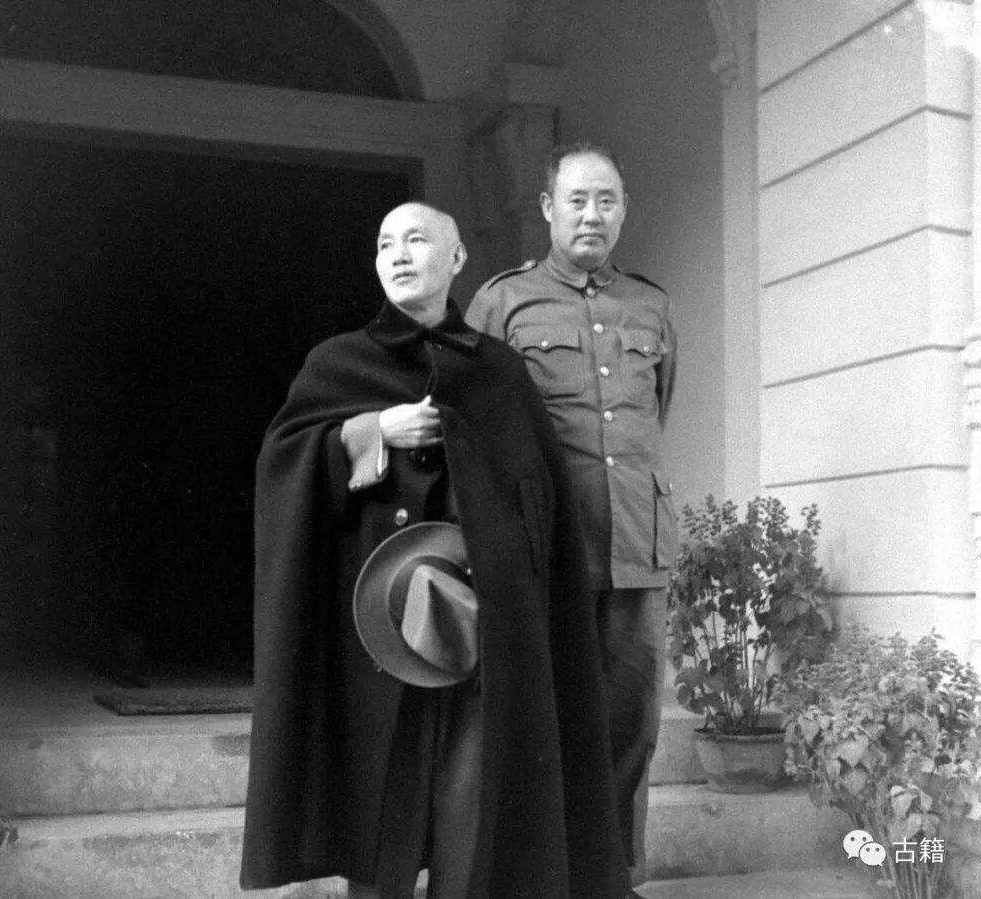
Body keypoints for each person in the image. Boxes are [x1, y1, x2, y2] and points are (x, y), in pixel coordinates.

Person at [239, 202, 622, 898]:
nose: (398, 254)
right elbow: (282, 463)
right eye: (385, 243)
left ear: (457, 258)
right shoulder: (338, 361)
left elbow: (538, 494)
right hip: (377, 626)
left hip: (477, 624)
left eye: (416, 239)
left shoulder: (498, 370)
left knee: (469, 799)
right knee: (379, 801)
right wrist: (371, 431)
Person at [465, 143, 679, 899]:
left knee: (630, 723)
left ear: (623, 211)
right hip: (545, 549)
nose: (593, 215)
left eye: (607, 201)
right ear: (548, 209)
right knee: (542, 723)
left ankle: (612, 879)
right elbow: (475, 423)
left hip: (637, 545)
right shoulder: (503, 303)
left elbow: (654, 412)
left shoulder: (651, 306)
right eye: (578, 200)